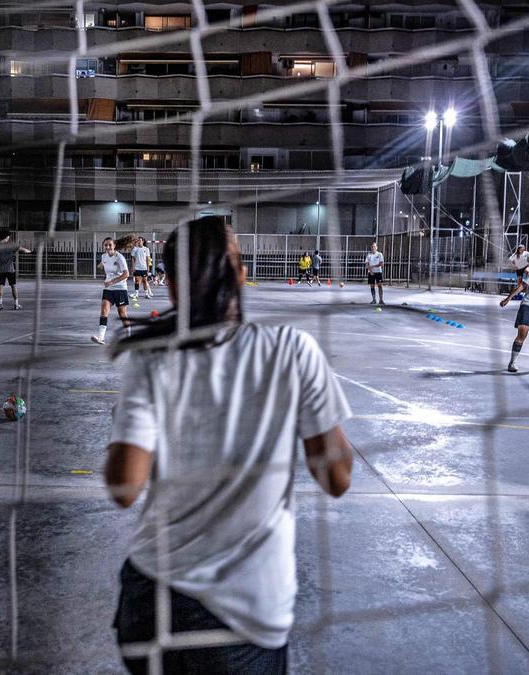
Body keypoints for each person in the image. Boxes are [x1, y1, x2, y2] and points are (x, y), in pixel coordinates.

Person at [105, 216, 353, 674]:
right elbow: (336, 479)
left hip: (152, 601)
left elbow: (124, 487)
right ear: (240, 276)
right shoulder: (293, 351)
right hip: (245, 614)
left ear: (173, 286)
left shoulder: (152, 356)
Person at [92, 236, 131, 344]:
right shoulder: (104, 256)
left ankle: (129, 335)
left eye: (110, 244)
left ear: (114, 246)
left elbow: (126, 274)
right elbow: (103, 263)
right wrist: (101, 264)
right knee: (104, 310)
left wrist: (112, 281)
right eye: (106, 245)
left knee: (122, 313)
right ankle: (101, 337)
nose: (108, 246)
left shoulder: (119, 257)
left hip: (120, 288)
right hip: (108, 289)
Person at [0, 234, 32, 310]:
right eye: (8, 236)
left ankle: (0, 304)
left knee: (0, 286)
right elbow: (20, 248)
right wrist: (28, 251)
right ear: (6, 237)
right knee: (13, 286)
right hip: (10, 270)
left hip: (1, 270)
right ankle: (16, 305)